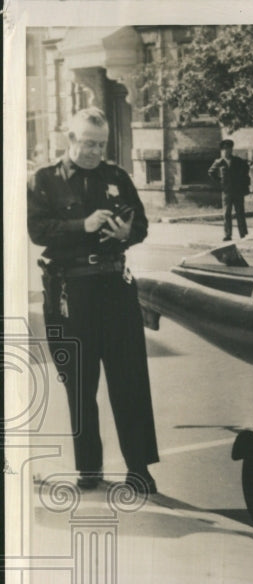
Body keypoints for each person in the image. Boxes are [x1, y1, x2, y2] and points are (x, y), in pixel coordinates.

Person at [27, 107, 159, 493]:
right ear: (70, 139)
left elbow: (143, 226)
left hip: (114, 287)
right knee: (80, 384)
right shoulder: (45, 180)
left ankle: (139, 468)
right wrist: (79, 226)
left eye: (100, 145)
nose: (93, 152)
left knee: (129, 379)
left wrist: (125, 235)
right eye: (87, 144)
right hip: (71, 293)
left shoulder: (116, 177)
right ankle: (89, 467)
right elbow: (36, 229)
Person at [208, 139, 251, 241]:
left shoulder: (238, 161)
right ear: (222, 150)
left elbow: (245, 171)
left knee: (240, 212)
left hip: (238, 191)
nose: (226, 151)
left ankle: (243, 234)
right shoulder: (219, 162)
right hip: (226, 192)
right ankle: (228, 235)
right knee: (227, 213)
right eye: (224, 149)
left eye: (229, 149)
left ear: (232, 150)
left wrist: (244, 185)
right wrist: (220, 182)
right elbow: (211, 172)